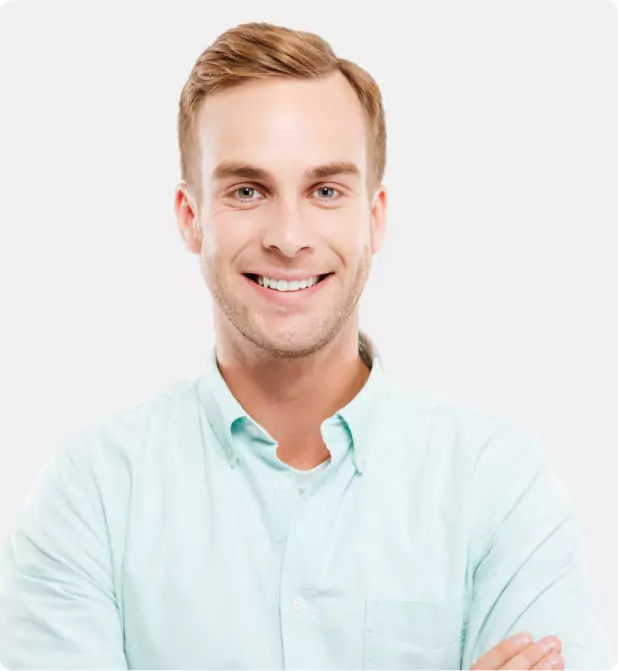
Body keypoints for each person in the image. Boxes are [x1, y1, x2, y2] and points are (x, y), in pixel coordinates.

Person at [0, 21, 614, 671]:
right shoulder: (93, 493)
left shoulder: (496, 481)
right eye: (247, 190)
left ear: (374, 217)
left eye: (325, 191)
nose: (288, 237)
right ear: (190, 216)